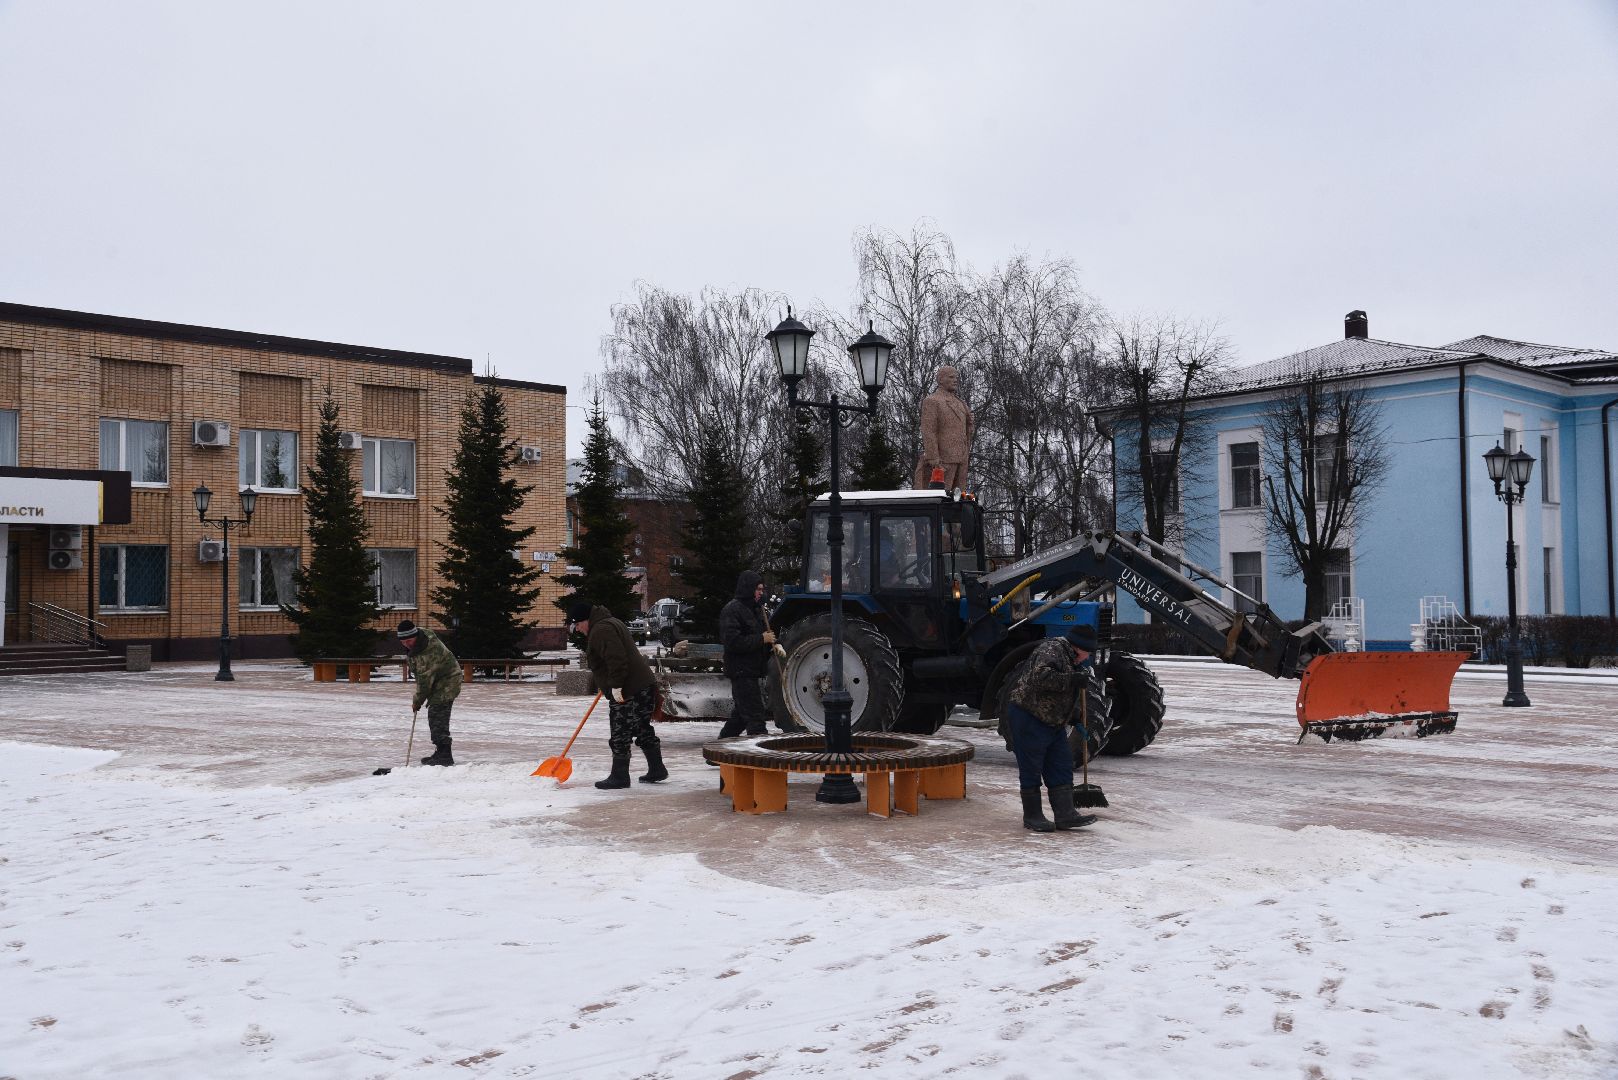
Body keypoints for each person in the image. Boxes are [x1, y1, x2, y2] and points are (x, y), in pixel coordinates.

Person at [1003, 624, 1100, 832]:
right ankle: (1032, 815)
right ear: (1078, 646)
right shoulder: (1051, 650)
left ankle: (1065, 814)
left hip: (1053, 721)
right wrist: (1072, 679)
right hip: (1029, 715)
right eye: (1087, 652)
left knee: (1061, 763)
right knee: (1032, 766)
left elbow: (1060, 695)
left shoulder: (1073, 659)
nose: (1087, 657)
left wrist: (1073, 715)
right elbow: (1041, 679)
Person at [568, 602, 666, 789]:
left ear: (585, 620)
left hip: (629, 689)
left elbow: (617, 660)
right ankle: (657, 769)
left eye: (578, 625)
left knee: (620, 730)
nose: (578, 630)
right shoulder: (611, 622)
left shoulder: (601, 630)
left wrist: (616, 686)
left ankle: (619, 776)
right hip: (642, 684)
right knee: (641, 726)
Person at [718, 571, 779, 738]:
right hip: (740, 671)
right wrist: (761, 639)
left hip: (751, 670)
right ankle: (761, 756)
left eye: (762, 589)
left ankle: (720, 750)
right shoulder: (732, 610)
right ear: (748, 588)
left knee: (741, 716)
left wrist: (772, 646)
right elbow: (733, 642)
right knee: (755, 717)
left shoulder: (755, 609)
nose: (761, 592)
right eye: (758, 589)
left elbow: (760, 638)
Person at [398, 619, 463, 766]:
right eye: (403, 642)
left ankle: (445, 755)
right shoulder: (420, 637)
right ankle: (441, 752)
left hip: (448, 681)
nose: (407, 644)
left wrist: (417, 701)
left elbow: (424, 683)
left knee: (437, 715)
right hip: (438, 679)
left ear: (415, 636)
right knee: (435, 713)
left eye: (409, 640)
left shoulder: (427, 653)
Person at [913, 364, 974, 491]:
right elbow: (928, 430)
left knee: (958, 499)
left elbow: (965, 429)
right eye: (951, 377)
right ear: (940, 379)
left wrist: (969, 423)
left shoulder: (960, 402)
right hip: (943, 459)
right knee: (941, 498)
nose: (955, 380)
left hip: (961, 458)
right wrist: (933, 457)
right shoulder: (932, 401)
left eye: (956, 377)